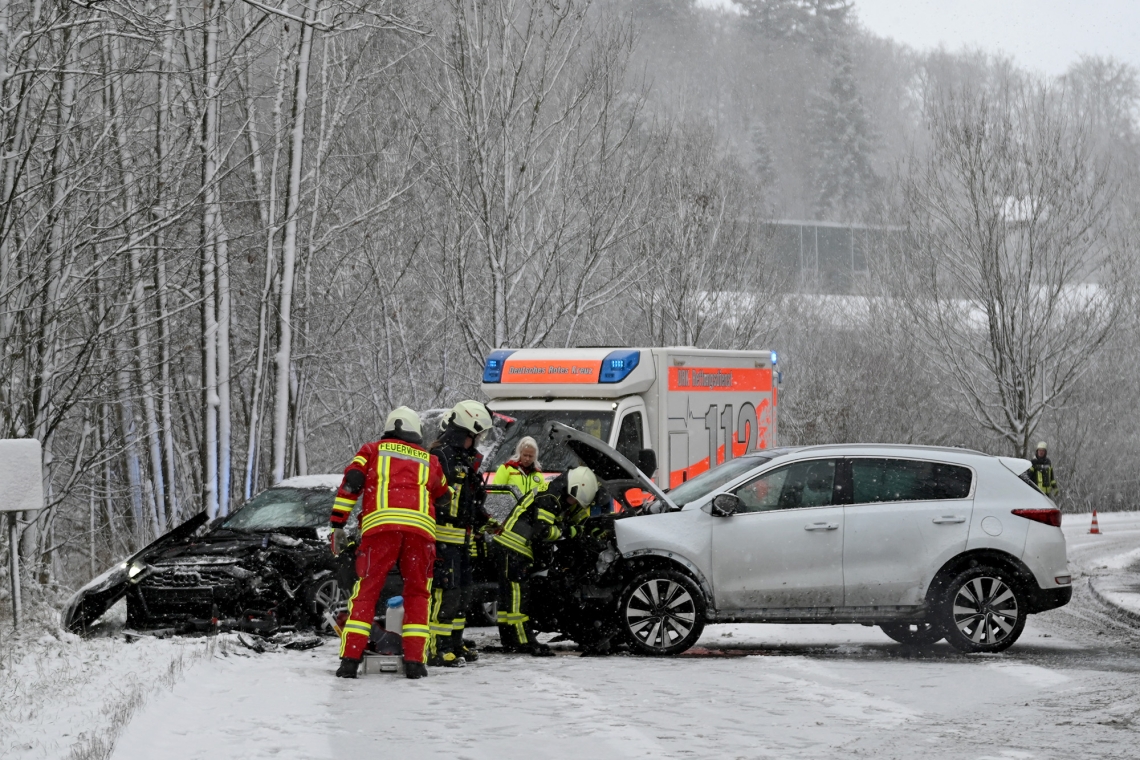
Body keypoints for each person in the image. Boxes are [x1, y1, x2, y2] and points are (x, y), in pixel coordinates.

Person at [329, 406, 448, 680]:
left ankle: (350, 660)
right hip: (420, 533)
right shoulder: (429, 460)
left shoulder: (371, 450)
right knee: (418, 594)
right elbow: (444, 494)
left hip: (380, 529)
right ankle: (415, 663)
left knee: (367, 591)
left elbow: (351, 483)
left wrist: (337, 522)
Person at [493, 465, 598, 656]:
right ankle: (524, 642)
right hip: (515, 546)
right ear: (572, 488)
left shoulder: (555, 492)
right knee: (517, 597)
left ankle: (509, 639)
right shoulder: (551, 499)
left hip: (510, 545)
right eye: (575, 499)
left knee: (508, 598)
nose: (574, 503)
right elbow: (542, 532)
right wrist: (568, 532)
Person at [428, 400, 493, 667]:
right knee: (446, 592)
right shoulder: (440, 456)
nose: (478, 441)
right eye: (476, 436)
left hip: (463, 539)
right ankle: (435, 647)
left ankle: (454, 641)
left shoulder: (464, 461)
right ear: (465, 431)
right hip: (444, 539)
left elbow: (470, 503)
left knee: (463, 593)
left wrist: (485, 522)